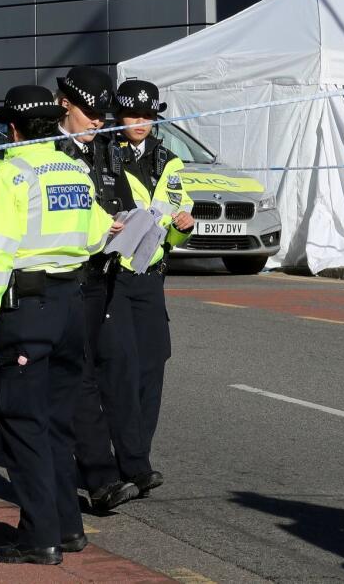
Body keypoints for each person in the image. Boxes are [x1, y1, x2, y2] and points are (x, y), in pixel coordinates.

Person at [0, 85, 118, 565]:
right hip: (71, 304)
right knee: (56, 424)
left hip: (27, 309)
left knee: (21, 421)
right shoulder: (75, 168)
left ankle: (39, 538)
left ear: (12, 128)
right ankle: (67, 528)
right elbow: (93, 236)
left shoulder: (7, 174)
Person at [53, 66, 144, 512]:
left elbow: (120, 201)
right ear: (63, 103)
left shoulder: (106, 150)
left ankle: (121, 469)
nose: (98, 122)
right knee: (77, 376)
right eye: (89, 112)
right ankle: (97, 477)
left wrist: (130, 224)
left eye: (102, 115)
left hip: (101, 276)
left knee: (110, 369)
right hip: (59, 280)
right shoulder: (41, 147)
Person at [109, 78, 195, 495]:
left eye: (147, 116)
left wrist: (184, 227)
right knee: (118, 367)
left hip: (151, 274)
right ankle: (132, 464)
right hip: (110, 274)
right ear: (117, 116)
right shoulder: (101, 155)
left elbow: (178, 216)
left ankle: (137, 456)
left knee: (153, 361)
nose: (140, 123)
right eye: (132, 115)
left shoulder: (169, 161)